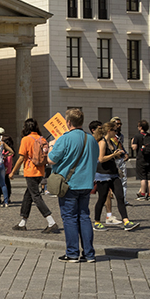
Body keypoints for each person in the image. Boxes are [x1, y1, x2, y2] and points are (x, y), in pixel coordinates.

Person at [49, 108, 101, 261]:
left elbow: (51, 159)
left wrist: (52, 145)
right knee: (84, 216)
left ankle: (72, 253)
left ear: (69, 122)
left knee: (69, 218)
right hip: (86, 184)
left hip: (69, 184)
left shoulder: (65, 138)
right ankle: (89, 254)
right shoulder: (90, 139)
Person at [10, 118, 58, 233]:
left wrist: (12, 171)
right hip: (40, 171)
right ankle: (23, 222)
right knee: (28, 196)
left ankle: (51, 221)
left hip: (30, 171)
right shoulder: (41, 138)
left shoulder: (26, 139)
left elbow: (21, 157)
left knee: (36, 196)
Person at [93, 120, 138, 231]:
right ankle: (97, 222)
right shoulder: (102, 142)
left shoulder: (111, 142)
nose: (116, 132)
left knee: (120, 196)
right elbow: (101, 158)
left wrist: (119, 155)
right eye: (114, 130)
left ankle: (126, 221)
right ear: (109, 131)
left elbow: (112, 156)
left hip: (113, 173)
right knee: (102, 198)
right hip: (103, 174)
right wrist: (114, 154)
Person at [132, 120, 150, 200]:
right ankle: (149, 194)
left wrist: (132, 143)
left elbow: (134, 147)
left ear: (140, 127)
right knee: (149, 178)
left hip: (141, 158)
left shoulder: (137, 136)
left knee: (143, 177)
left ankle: (142, 194)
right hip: (149, 159)